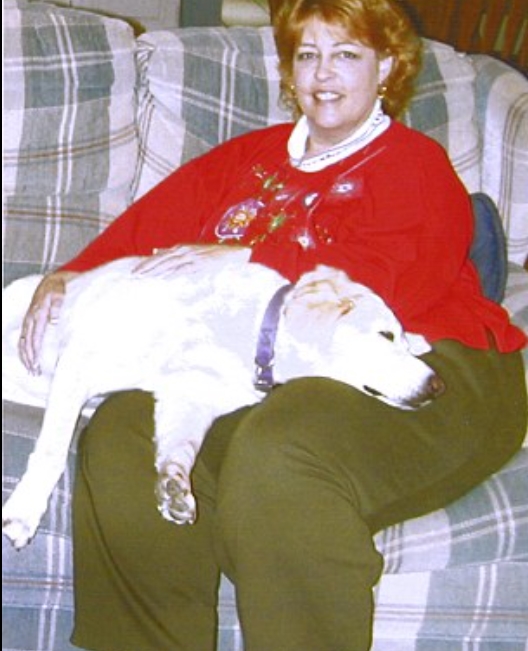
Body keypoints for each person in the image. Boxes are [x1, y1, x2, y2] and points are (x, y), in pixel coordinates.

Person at [17, 0, 527, 649]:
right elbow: (148, 229)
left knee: (281, 449)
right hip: (271, 375)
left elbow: (389, 286)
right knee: (124, 431)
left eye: (347, 54)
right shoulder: (249, 158)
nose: (323, 73)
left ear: (386, 67)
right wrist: (70, 274)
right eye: (307, 55)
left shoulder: (413, 162)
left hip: (430, 365)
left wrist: (245, 255)